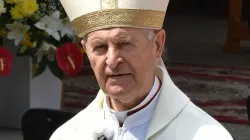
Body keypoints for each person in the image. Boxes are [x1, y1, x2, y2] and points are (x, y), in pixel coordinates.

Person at [50, 0, 233, 139]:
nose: (112, 61)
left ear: (157, 45)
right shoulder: (68, 135)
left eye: (124, 43)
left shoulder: (206, 135)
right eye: (100, 47)